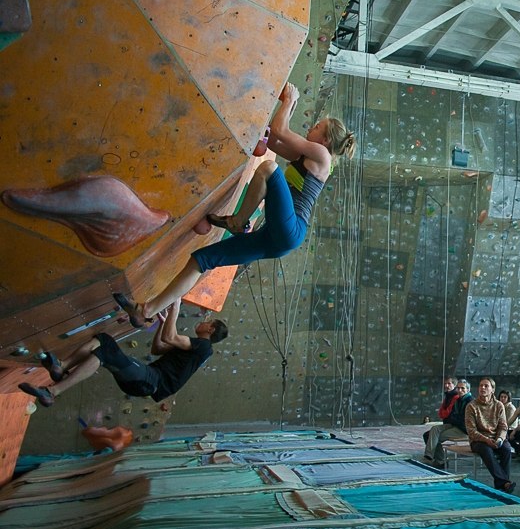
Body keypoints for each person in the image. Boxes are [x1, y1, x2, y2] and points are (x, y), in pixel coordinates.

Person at [113, 83, 356, 327]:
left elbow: (281, 131)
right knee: (202, 259)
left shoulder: (323, 157)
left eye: (316, 128)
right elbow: (273, 141)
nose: (311, 129)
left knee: (268, 169)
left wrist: (290, 100)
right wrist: (289, 106)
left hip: (292, 230)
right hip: (276, 237)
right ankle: (146, 310)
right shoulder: (307, 156)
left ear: (324, 140)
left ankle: (238, 221)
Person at [18, 300, 226, 407]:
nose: (203, 322)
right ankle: (61, 367)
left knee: (105, 353)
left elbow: (171, 338)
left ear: (211, 330)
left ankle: (53, 392)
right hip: (146, 378)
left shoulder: (204, 347)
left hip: (150, 381)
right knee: (103, 340)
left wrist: (176, 307)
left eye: (208, 322)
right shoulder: (195, 349)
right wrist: (162, 325)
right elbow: (158, 349)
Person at [464, 377, 515, 493]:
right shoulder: (471, 406)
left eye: (486, 386)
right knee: (486, 450)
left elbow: (503, 426)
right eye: (481, 385)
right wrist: (486, 440)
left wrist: (500, 439)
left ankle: (502, 484)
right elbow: (471, 430)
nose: (482, 388)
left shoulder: (499, 405)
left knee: (506, 448)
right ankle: (505, 483)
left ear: (492, 389)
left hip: (496, 438)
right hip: (478, 440)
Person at [424, 380, 472, 467]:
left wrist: (453, 418)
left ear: (468, 390)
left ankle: (440, 460)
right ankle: (429, 456)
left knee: (434, 437)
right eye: (458, 388)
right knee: (434, 429)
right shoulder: (458, 400)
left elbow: (463, 420)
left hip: (463, 429)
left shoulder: (470, 402)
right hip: (454, 424)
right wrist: (453, 418)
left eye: (462, 388)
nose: (460, 390)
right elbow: (449, 415)